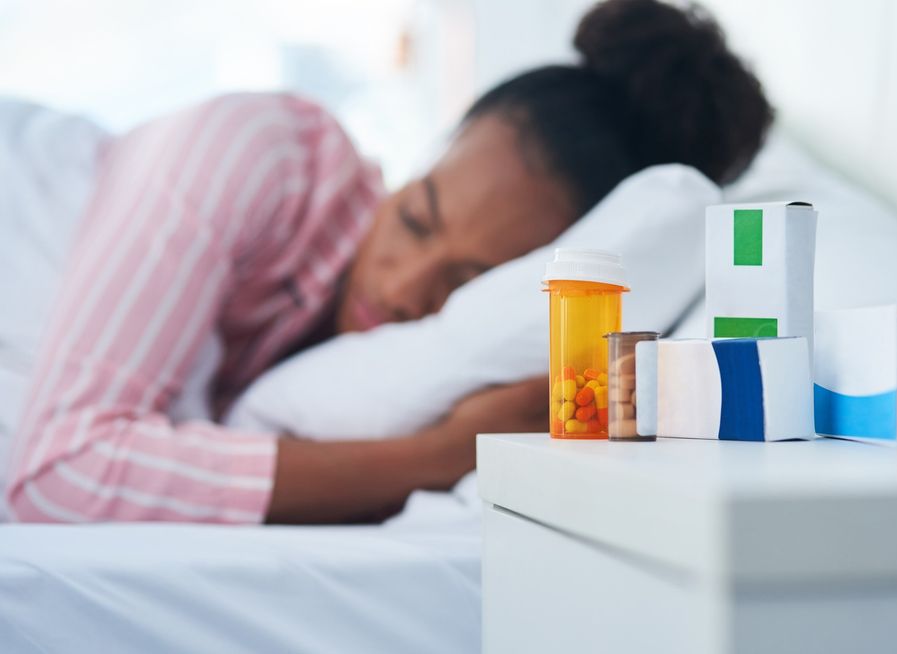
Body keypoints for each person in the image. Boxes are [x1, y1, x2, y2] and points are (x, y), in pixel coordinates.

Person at [6, 0, 772, 524]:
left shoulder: (379, 374)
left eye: (467, 282)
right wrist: (437, 455)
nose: (404, 287)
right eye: (414, 218)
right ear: (424, 157)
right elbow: (60, 475)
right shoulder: (257, 151)